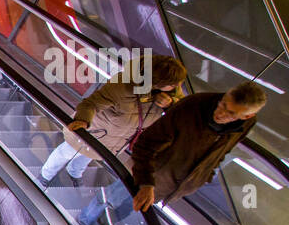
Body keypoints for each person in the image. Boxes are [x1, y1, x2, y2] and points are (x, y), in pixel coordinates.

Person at [79, 83, 268, 225]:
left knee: (130, 208)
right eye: (223, 104)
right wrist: (146, 184)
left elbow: (223, 150)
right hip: (147, 174)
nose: (221, 113)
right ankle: (84, 221)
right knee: (111, 197)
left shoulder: (247, 124)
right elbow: (145, 143)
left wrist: (206, 174)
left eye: (231, 113)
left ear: (247, 116)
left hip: (172, 186)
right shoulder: (192, 107)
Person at [40, 54, 186, 184]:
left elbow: (183, 110)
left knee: (90, 156)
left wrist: (170, 104)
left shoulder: (172, 92)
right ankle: (45, 175)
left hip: (116, 140)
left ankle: (74, 172)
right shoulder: (122, 87)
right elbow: (90, 104)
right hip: (95, 131)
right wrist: (83, 121)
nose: (178, 86)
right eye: (174, 84)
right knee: (66, 152)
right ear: (157, 82)